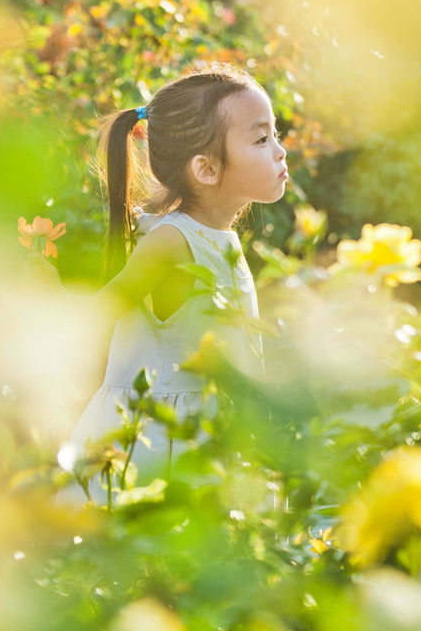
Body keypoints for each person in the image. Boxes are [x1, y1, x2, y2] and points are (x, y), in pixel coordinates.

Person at [59, 65, 288, 502]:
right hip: (158, 445)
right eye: (261, 139)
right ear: (206, 168)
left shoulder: (218, 238)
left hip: (209, 435)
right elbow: (99, 314)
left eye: (275, 135)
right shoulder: (172, 239)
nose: (279, 151)